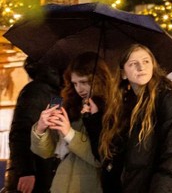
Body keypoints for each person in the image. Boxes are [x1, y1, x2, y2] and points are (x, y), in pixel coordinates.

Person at [97, 44, 172, 193]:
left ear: (153, 66)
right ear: (123, 73)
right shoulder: (123, 108)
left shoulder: (168, 101)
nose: (141, 67)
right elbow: (112, 157)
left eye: (146, 61)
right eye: (133, 64)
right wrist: (93, 118)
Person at [31, 52, 111, 193]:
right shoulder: (69, 104)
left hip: (90, 186)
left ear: (98, 79)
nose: (79, 89)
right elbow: (45, 152)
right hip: (60, 186)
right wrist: (40, 129)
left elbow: (101, 158)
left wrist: (70, 133)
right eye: (74, 83)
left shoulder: (112, 109)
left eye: (84, 82)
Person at [5, 58, 62, 193]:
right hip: (34, 175)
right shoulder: (36, 91)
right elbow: (21, 132)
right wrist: (26, 171)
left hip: (44, 172)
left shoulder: (55, 92)